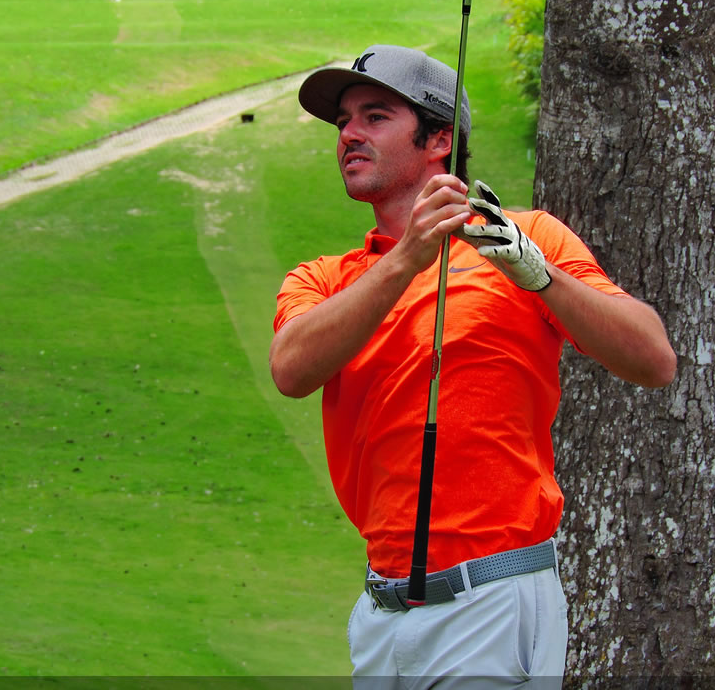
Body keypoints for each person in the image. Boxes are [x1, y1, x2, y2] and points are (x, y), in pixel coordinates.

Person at [270, 44, 677, 687]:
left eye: (375, 116)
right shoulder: (323, 279)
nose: (348, 134)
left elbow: (653, 358)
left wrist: (538, 275)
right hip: (381, 611)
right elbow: (292, 370)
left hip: (491, 600)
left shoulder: (522, 239)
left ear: (439, 140)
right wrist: (408, 257)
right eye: (343, 121)